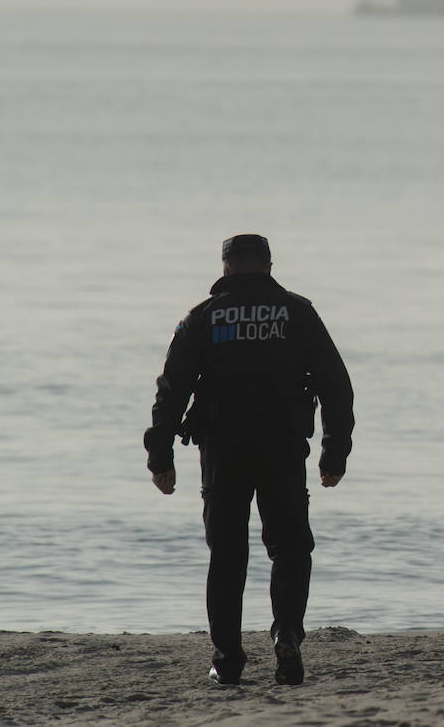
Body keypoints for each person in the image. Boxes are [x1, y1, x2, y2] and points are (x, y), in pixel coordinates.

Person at [144, 233, 355, 687]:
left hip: (223, 450)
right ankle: (287, 635)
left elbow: (171, 389)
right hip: (281, 446)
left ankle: (228, 659)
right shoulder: (298, 312)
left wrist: (159, 455)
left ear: (225, 269)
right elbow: (336, 384)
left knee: (227, 554)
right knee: (291, 547)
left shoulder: (202, 318)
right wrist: (335, 451)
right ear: (268, 265)